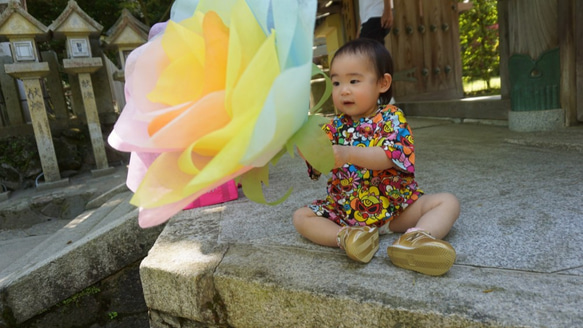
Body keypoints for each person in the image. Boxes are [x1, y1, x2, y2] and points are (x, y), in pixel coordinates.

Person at [292, 39, 460, 276]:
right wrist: (306, 148)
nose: (344, 90)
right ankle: (348, 238)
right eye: (337, 82)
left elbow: (390, 156)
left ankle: (415, 239)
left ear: (383, 83)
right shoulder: (333, 127)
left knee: (447, 202)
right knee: (301, 217)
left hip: (397, 208)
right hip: (347, 212)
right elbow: (318, 158)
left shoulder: (392, 117)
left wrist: (349, 153)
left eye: (354, 81)